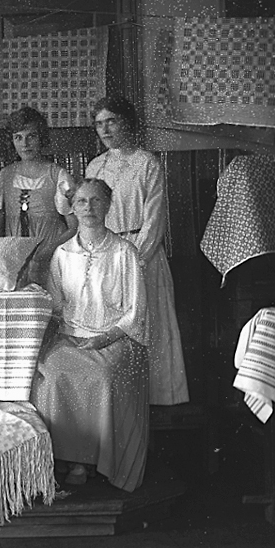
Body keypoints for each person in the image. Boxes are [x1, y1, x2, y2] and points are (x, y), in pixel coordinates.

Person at [30, 179, 149, 492]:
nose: (89, 208)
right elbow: (56, 305)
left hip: (116, 338)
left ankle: (89, 461)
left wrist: (104, 338)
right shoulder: (62, 253)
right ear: (72, 207)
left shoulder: (125, 252)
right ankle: (63, 457)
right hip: (70, 336)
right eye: (81, 201)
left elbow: (135, 312)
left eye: (96, 201)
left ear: (108, 205)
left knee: (101, 376)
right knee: (52, 374)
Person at [86, 95, 189, 406]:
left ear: (127, 123)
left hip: (144, 257)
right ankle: (121, 403)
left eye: (111, 121)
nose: (105, 130)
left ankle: (159, 400)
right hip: (106, 257)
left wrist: (133, 261)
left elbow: (154, 221)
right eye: (99, 124)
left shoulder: (147, 163)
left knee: (150, 326)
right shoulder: (95, 166)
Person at [0, 106, 76, 283]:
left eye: (31, 136)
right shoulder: (5, 175)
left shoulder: (58, 175)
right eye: (18, 137)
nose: (25, 143)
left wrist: (48, 250)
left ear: (41, 137)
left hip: (52, 256)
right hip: (15, 258)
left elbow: (74, 227)